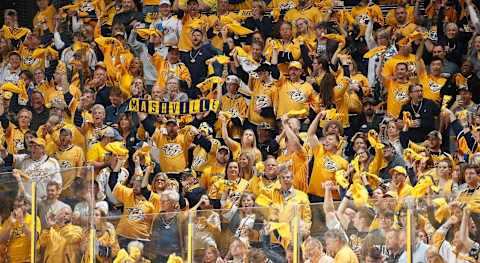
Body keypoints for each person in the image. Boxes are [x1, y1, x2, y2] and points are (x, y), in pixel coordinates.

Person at [0, 196, 41, 263]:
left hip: (29, 260)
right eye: (15, 206)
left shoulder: (34, 219)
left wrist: (21, 221)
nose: (16, 208)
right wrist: (10, 224)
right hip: (12, 260)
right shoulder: (9, 221)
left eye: (19, 206)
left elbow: (33, 239)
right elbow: (1, 240)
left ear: (26, 206)